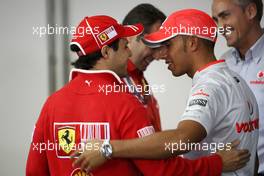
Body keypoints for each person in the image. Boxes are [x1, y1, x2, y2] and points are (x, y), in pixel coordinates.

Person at [73, 9, 259, 176]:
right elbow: (254, 159)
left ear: (193, 43)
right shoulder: (237, 81)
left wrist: (108, 148)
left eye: (168, 45)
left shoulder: (209, 87)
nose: (161, 55)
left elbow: (181, 139)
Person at [211, 0, 263, 175]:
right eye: (216, 20)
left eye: (225, 16)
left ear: (250, 11)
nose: (220, 27)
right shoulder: (223, 62)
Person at [122, 3, 166, 131]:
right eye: (153, 45)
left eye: (161, 46)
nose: (158, 56)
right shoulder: (110, 82)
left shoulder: (138, 77)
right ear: (129, 36)